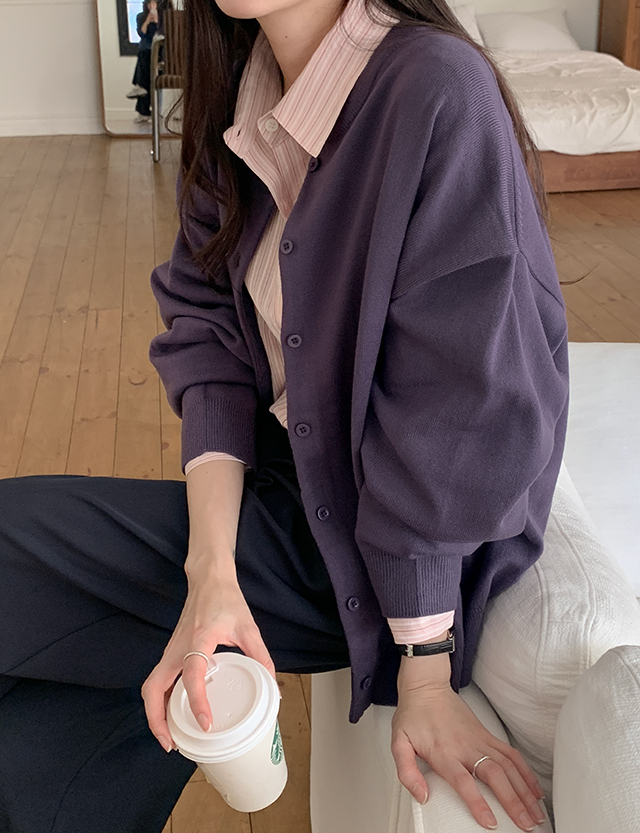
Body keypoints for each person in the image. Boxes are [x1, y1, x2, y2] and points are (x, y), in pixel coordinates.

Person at [0, 0, 569, 831]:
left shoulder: (437, 90)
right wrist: (211, 574)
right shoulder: (244, 86)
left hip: (377, 552)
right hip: (283, 482)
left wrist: (424, 671)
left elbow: (455, 411)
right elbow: (209, 333)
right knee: (50, 725)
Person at [126, 0, 160, 122]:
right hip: (145, 48)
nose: (151, 6)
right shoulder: (140, 16)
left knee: (145, 81)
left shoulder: (164, 17)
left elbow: (163, 33)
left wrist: (157, 21)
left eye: (154, 4)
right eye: (149, 4)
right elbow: (142, 33)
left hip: (158, 50)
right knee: (146, 79)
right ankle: (144, 110)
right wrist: (147, 21)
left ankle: (138, 85)